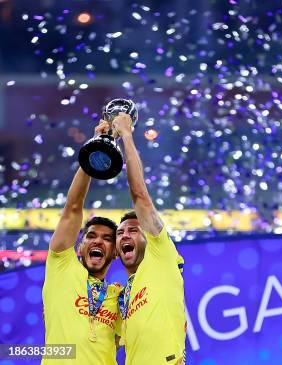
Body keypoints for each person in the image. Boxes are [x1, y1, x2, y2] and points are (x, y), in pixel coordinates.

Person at [42, 121, 122, 364]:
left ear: (116, 252)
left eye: (108, 239)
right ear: (79, 247)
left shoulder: (120, 296)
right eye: (91, 236)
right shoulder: (62, 267)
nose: (98, 240)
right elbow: (73, 208)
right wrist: (95, 149)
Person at [112, 112, 186, 365]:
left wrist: (127, 137)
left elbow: (140, 197)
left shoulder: (161, 255)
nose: (124, 235)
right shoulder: (122, 296)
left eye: (133, 230)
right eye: (120, 233)